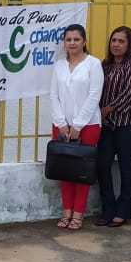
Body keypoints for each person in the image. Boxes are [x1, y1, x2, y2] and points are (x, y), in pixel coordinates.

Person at [49, 23, 104, 231]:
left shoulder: (93, 64)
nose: (72, 43)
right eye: (69, 39)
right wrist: (62, 123)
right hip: (62, 126)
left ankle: (78, 213)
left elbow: (94, 95)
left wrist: (78, 125)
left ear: (84, 41)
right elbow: (53, 95)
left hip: (88, 125)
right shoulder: (58, 66)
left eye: (76, 39)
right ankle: (66, 212)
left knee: (82, 171)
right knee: (64, 170)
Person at [95, 27, 131, 227]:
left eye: (121, 41)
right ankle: (107, 208)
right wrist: (100, 112)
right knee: (102, 164)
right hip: (106, 125)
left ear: (129, 44)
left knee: (126, 166)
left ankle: (123, 209)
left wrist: (109, 109)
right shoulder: (104, 65)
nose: (116, 44)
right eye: (113, 40)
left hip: (128, 123)